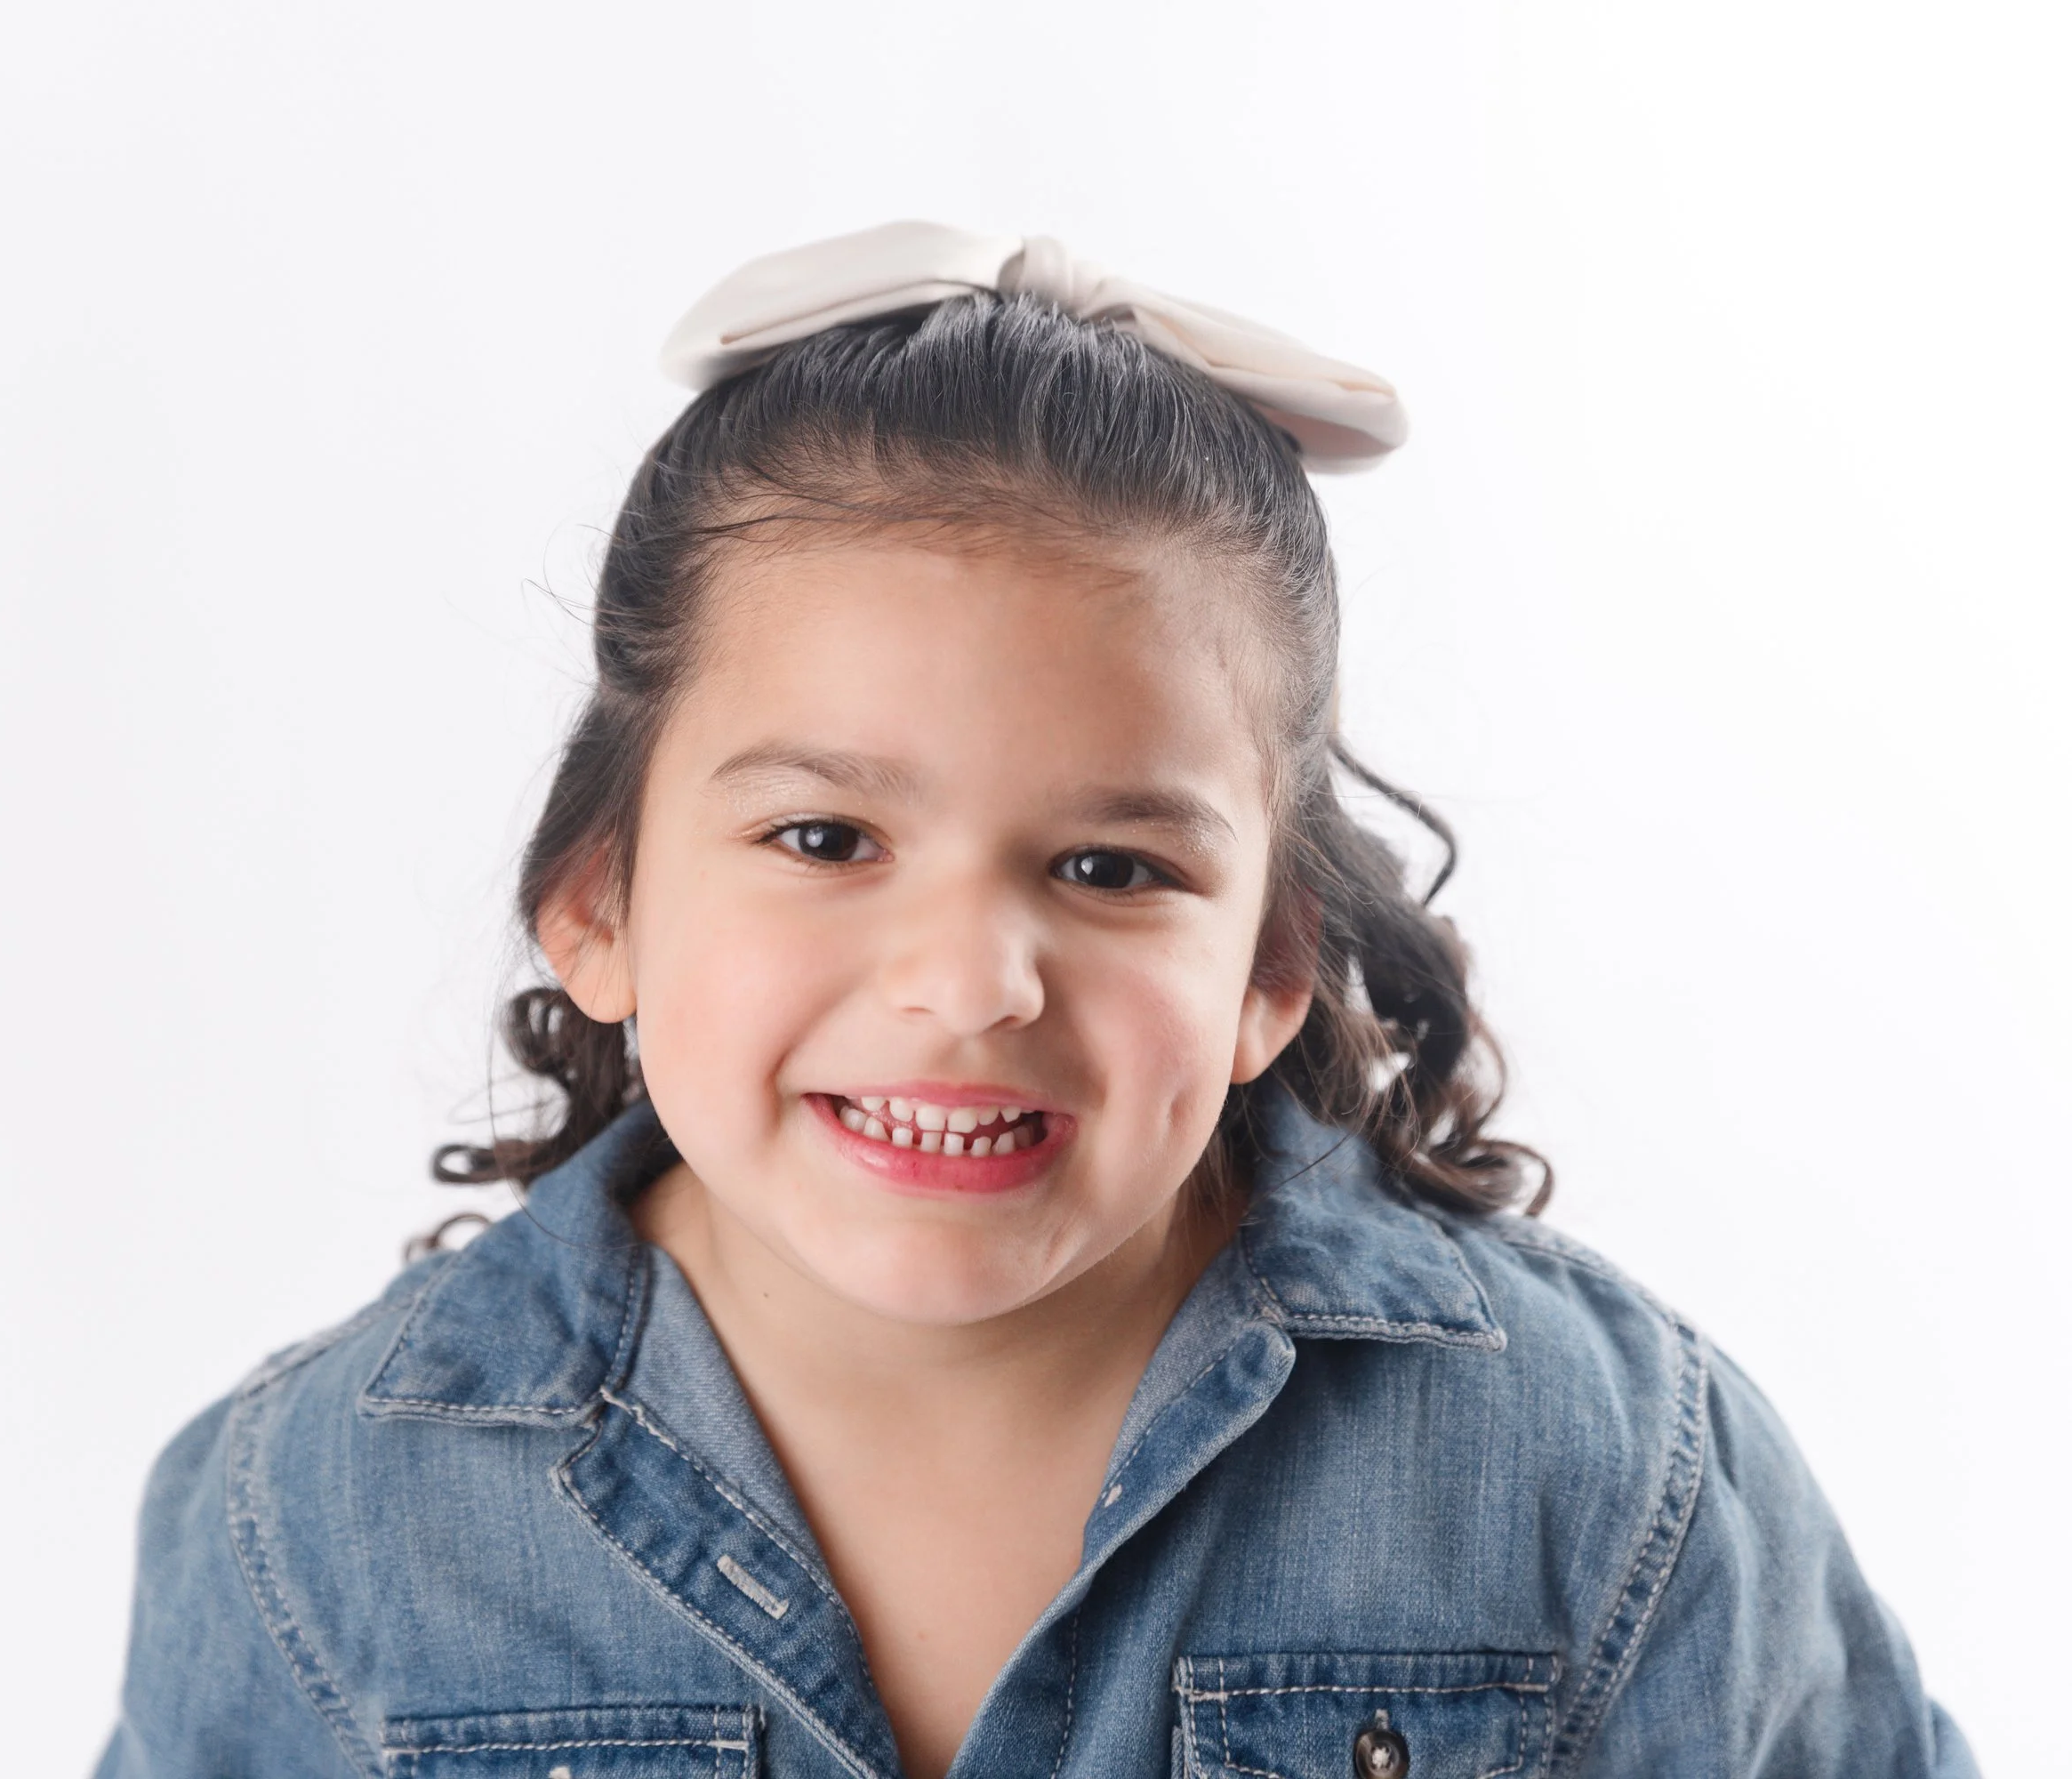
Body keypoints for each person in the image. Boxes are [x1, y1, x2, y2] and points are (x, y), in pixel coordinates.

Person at [94, 222, 1979, 1778]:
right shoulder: (311, 1518)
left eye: (1108, 869)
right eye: (826, 836)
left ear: (1265, 970)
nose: (968, 983)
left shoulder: (1592, 1463)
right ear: (595, 904)